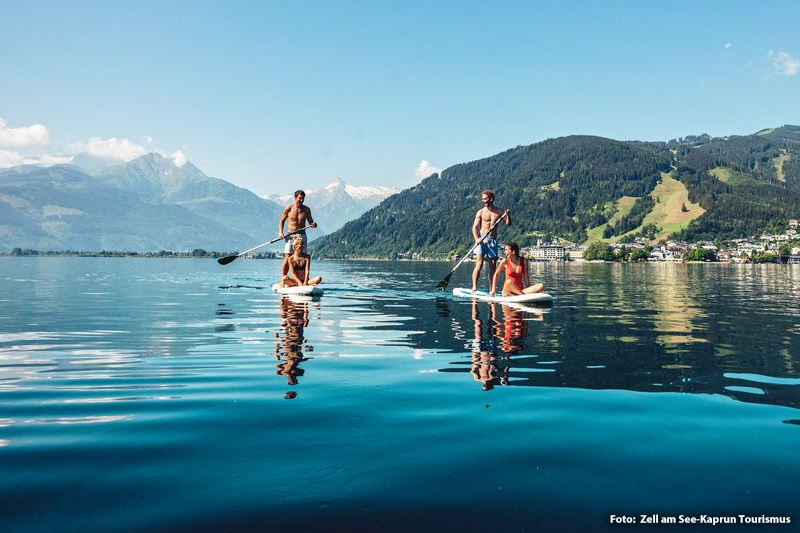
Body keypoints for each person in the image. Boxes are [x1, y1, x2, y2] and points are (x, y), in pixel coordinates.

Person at [471, 190, 510, 292]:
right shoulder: (481, 212)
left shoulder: (500, 211)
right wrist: (477, 239)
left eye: (484, 198)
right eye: (482, 199)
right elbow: (474, 227)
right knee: (479, 264)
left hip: (492, 240)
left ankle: (492, 290)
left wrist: (508, 215)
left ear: (491, 199)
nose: (483, 200)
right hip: (481, 240)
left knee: (492, 266)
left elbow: (508, 223)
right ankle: (474, 287)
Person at [278, 190, 317, 280]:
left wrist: (313, 224)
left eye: (303, 198)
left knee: (302, 257)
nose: (302, 200)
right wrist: (280, 232)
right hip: (290, 235)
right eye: (300, 198)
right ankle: (283, 279)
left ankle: (302, 280)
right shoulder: (289, 208)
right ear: (295, 197)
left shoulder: (306, 209)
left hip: (302, 236)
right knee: (288, 256)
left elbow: (311, 222)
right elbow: (281, 221)